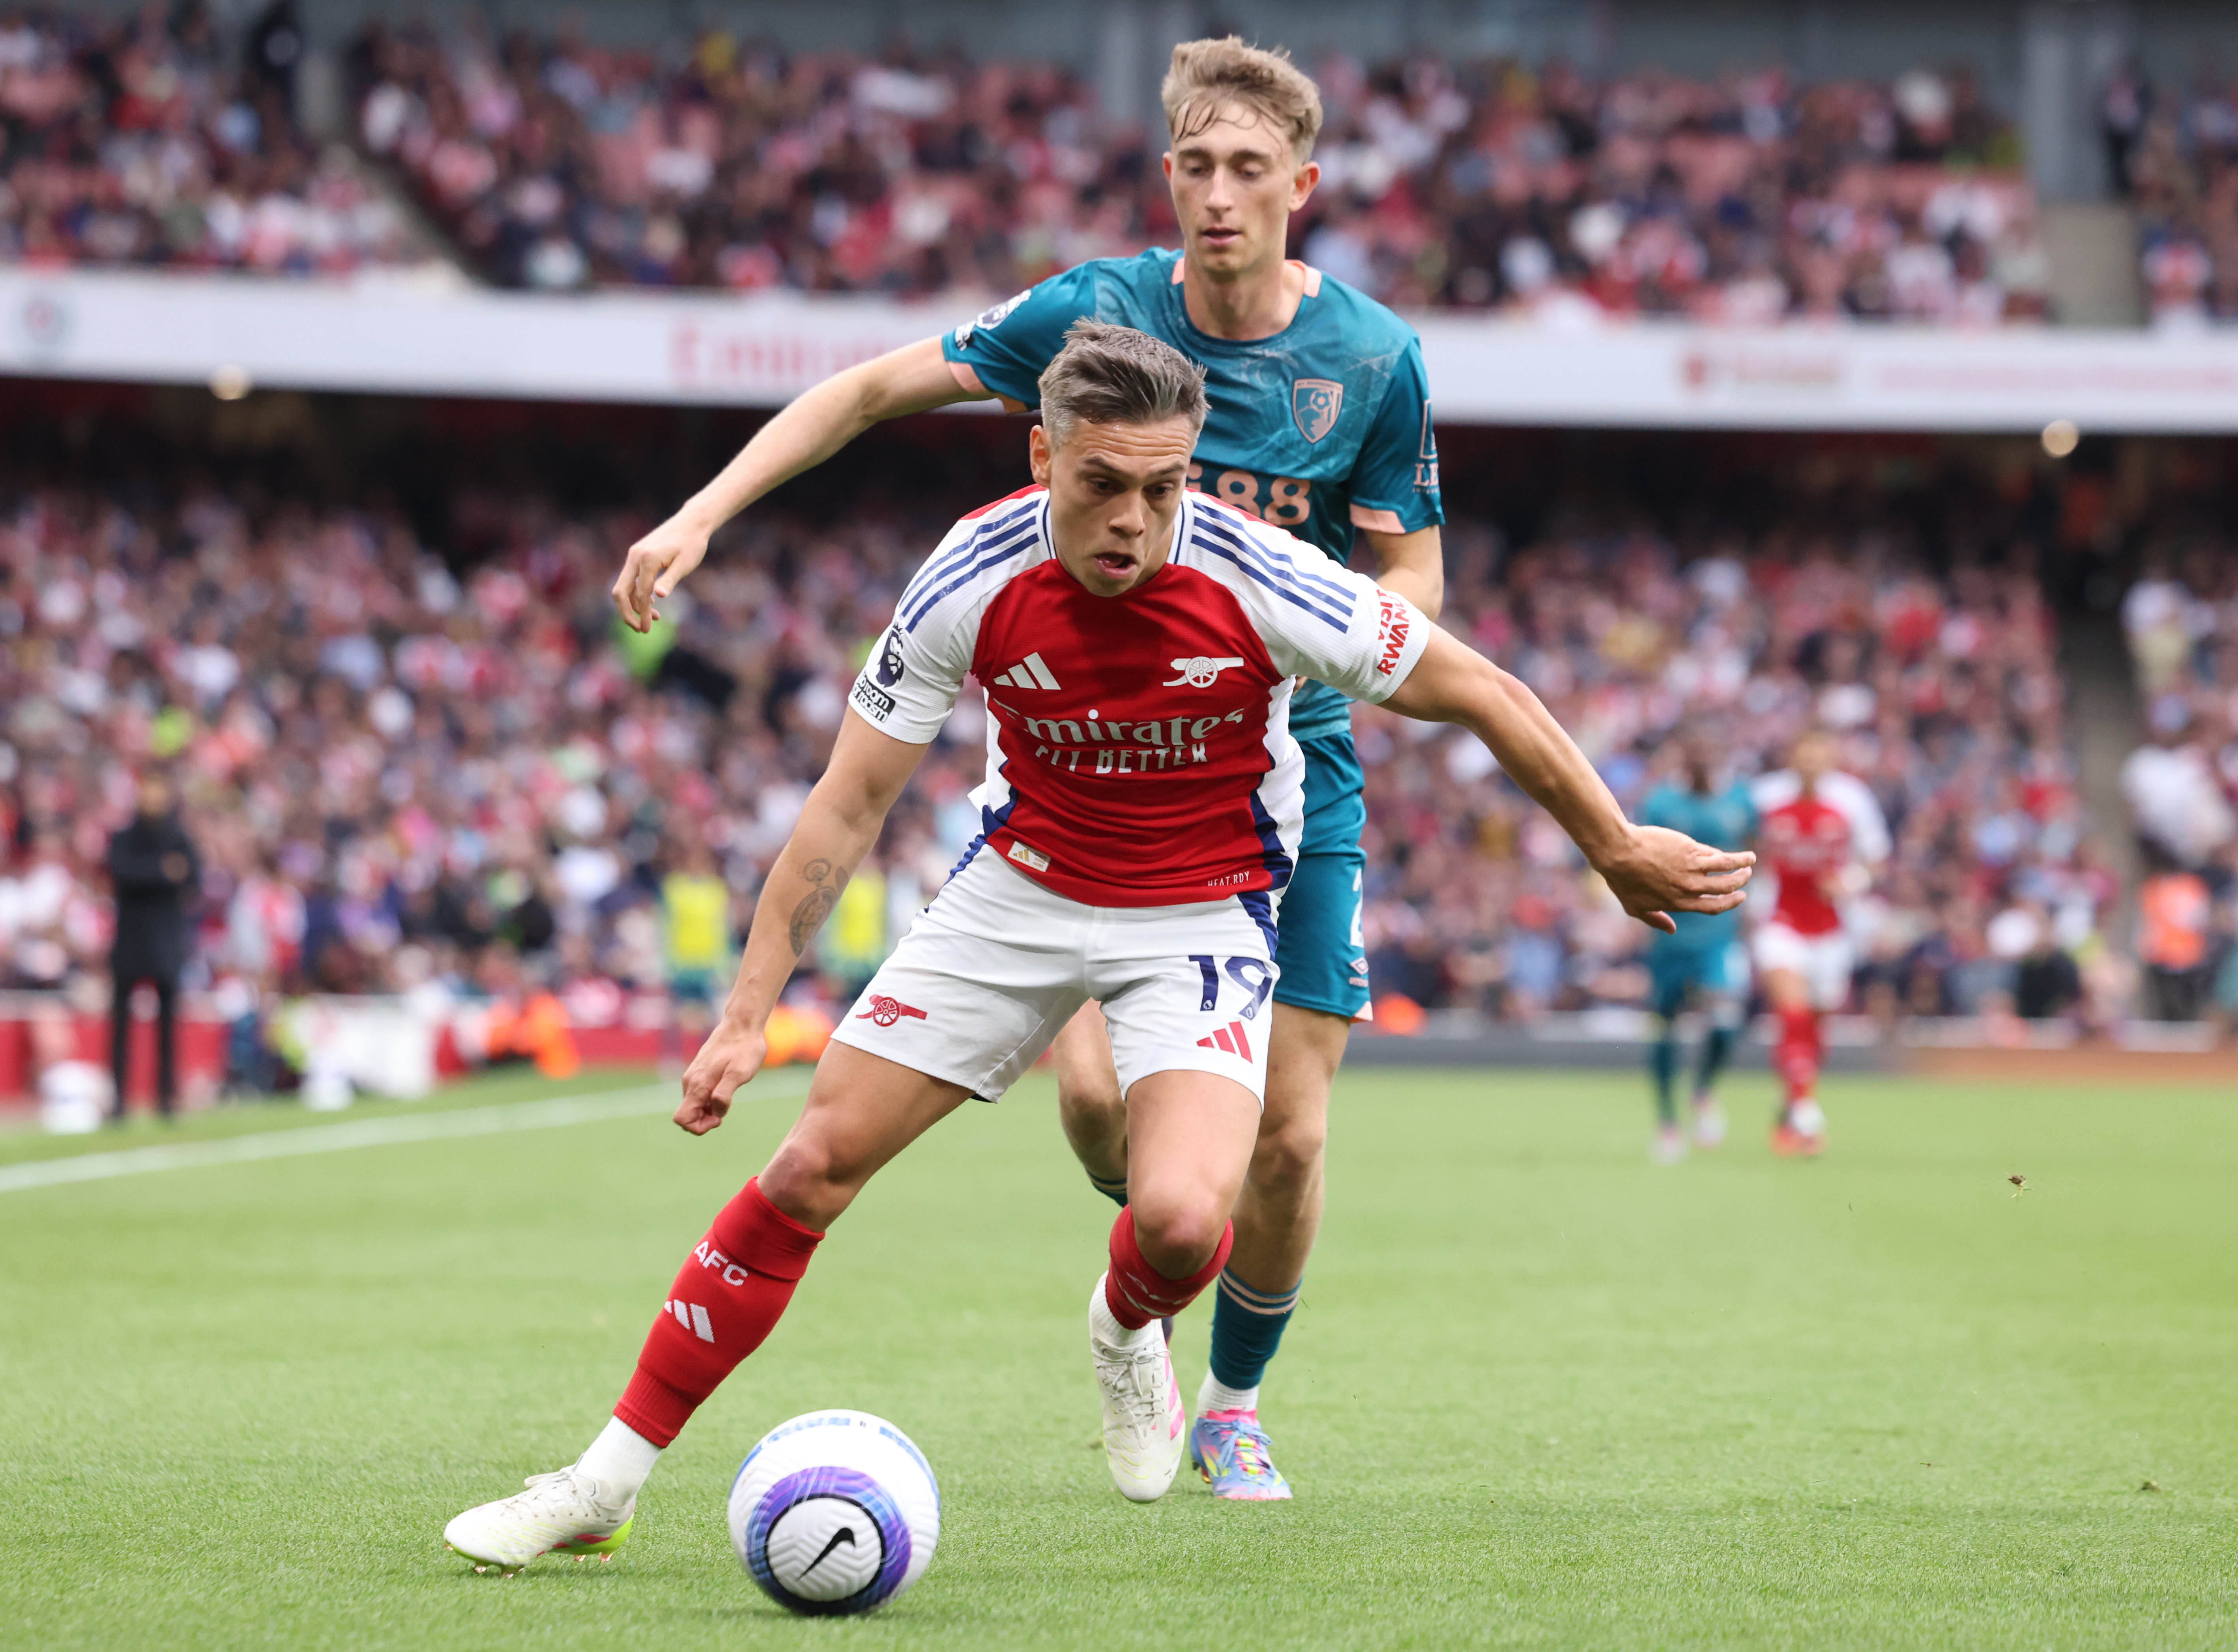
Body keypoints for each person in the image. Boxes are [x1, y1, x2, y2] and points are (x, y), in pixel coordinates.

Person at [442, 325, 1751, 1574]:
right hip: (1018, 886)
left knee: (1184, 1220)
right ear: (1042, 459)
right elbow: (848, 803)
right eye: (1102, 483)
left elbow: (1481, 687)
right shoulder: (969, 572)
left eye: (1162, 486)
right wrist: (744, 1010)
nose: (1132, 518)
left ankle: (1127, 1321)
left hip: (1200, 903)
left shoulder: (1262, 573)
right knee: (807, 1163)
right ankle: (603, 1478)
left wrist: (1611, 840)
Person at [608, 38, 1444, 1501]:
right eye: (1195, 164)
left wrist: (1351, 644)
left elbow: (1409, 558)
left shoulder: (1371, 359)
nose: (1219, 194)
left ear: (1300, 187)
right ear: (1167, 176)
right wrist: (702, 513)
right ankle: (1148, 1270)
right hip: (1090, 785)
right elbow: (869, 390)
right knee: (1098, 1120)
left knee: (1293, 1140)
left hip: (1278, 774)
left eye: (1250, 168)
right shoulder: (1093, 312)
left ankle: (1231, 1401)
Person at [1750, 732, 1888, 1157]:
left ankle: (1790, 1100)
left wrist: (1848, 883)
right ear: (1791, 755)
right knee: (1790, 1015)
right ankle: (1806, 1112)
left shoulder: (1852, 799)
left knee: (1816, 1029)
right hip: (1779, 922)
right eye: (1802, 753)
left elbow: (1877, 859)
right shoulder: (1764, 796)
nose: (1810, 761)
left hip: (1832, 931)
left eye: (1818, 754)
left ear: (1830, 757)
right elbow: (1743, 843)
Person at [1635, 726, 1757, 1163]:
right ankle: (1667, 1124)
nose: (1703, 757)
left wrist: (1752, 915)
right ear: (1683, 754)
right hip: (1670, 930)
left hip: (1719, 935)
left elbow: (1756, 855)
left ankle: (1702, 1092)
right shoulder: (1661, 803)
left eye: (1710, 748)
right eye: (1695, 748)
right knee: (1665, 1025)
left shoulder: (1740, 801)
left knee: (1724, 1019)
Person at [105, 772, 200, 1122]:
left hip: (165, 943)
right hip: (130, 941)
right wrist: (164, 873)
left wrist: (152, 875)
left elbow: (194, 878)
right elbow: (122, 872)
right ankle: (119, 1101)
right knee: (121, 1027)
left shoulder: (179, 838)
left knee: (167, 1028)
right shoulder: (125, 837)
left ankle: (165, 1100)